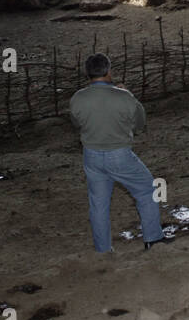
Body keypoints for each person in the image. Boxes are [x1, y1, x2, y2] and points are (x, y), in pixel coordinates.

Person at [68, 53, 167, 252]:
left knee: (98, 204)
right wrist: (129, 96)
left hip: (91, 156)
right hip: (120, 155)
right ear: (109, 70)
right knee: (148, 190)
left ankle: (103, 249)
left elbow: (76, 123)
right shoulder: (124, 97)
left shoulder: (78, 98)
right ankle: (153, 239)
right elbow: (140, 123)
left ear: (87, 73)